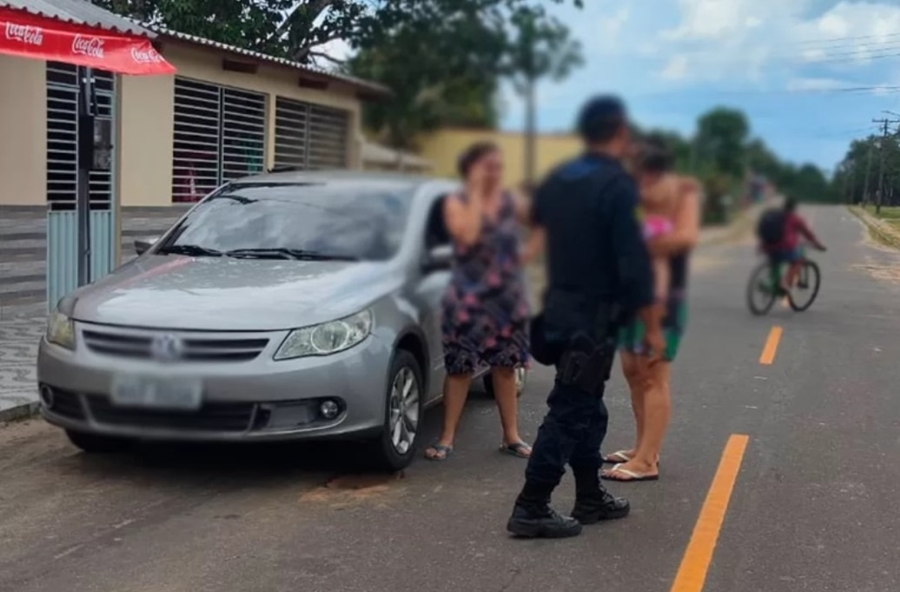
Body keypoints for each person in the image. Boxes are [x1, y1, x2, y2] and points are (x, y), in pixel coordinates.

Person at [506, 96, 664, 539]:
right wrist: (650, 327)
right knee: (570, 410)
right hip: (592, 318)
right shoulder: (616, 185)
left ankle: (589, 495)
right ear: (619, 134)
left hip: (558, 309)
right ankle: (531, 504)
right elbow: (633, 264)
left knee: (589, 408)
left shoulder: (560, 177)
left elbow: (532, 217)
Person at [601, 137, 702, 483]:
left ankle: (647, 461)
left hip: (664, 297)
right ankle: (643, 447)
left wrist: (641, 242)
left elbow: (686, 237)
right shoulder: (632, 191)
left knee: (653, 373)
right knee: (632, 370)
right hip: (631, 294)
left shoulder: (682, 191)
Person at [424, 142, 533, 462]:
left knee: (505, 367)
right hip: (467, 299)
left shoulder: (510, 201)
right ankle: (446, 438)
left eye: (499, 166)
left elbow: (544, 223)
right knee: (460, 368)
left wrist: (528, 254)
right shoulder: (455, 202)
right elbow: (468, 236)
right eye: (489, 166)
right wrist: (474, 194)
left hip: (506, 298)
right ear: (471, 168)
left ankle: (511, 436)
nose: (495, 173)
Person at [757, 197, 826, 292]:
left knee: (775, 261)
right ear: (794, 208)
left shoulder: (775, 215)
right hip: (784, 247)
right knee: (796, 261)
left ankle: (771, 283)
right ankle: (784, 283)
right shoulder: (795, 218)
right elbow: (807, 233)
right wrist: (817, 244)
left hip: (768, 245)